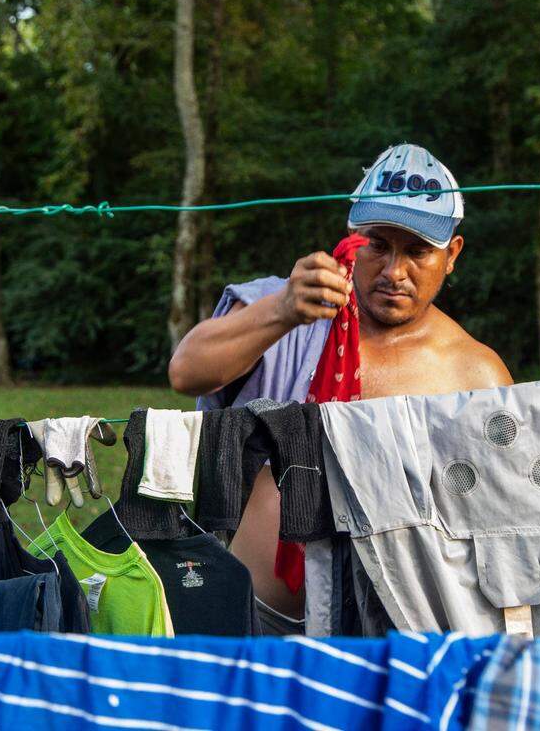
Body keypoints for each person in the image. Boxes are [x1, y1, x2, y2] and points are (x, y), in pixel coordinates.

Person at [168, 144, 513, 633]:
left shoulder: (476, 374)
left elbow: (495, 523)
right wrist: (283, 310)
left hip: (399, 626)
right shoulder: (290, 307)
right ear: (352, 237)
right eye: (378, 244)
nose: (394, 271)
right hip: (254, 618)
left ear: (452, 254)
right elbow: (187, 372)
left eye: (416, 251)